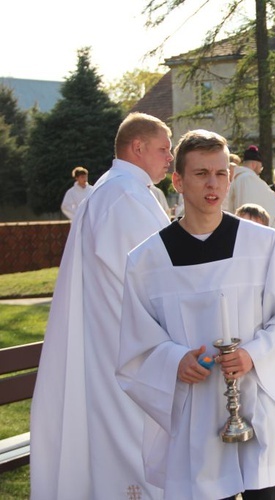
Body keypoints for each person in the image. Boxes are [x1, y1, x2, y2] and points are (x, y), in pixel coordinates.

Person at [117, 129, 275, 500]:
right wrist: (174, 361)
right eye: (201, 173)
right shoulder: (146, 260)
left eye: (221, 173)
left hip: (253, 407)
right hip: (193, 416)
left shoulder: (260, 244)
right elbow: (135, 344)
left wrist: (252, 354)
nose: (213, 184)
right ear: (178, 181)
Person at [31, 112, 173, 499]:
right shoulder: (124, 195)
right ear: (137, 147)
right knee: (131, 447)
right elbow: (159, 273)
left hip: (111, 336)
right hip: (126, 343)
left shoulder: (117, 190)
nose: (170, 157)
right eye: (164, 148)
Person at [227, 145, 275, 251]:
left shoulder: (238, 178)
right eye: (260, 167)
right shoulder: (250, 178)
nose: (260, 170)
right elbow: (269, 202)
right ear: (254, 164)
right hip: (253, 231)